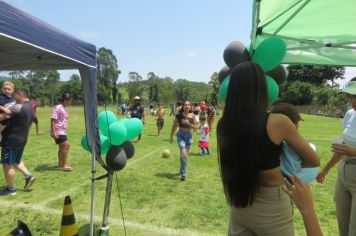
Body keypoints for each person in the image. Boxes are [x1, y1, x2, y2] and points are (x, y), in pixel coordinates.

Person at [217, 62, 320, 235]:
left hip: (239, 200)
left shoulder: (223, 124)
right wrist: (290, 166)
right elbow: (314, 160)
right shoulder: (277, 122)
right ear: (261, 89)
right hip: (272, 204)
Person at [317, 78, 356, 236]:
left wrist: (353, 152)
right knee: (343, 227)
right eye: (350, 95)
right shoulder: (350, 114)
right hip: (344, 173)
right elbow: (343, 148)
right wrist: (326, 170)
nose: (353, 100)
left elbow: (349, 149)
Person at [270, 102, 320, 183]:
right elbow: (314, 161)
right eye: (297, 122)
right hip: (291, 184)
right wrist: (300, 165)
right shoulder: (292, 144)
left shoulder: (267, 139)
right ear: (292, 123)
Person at [0, 89, 36, 196]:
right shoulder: (30, 107)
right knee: (16, 160)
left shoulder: (18, 106)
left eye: (16, 96)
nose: (14, 99)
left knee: (7, 164)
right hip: (22, 139)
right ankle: (28, 176)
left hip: (11, 140)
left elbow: (5, 114)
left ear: (20, 95)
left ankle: (11, 190)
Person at [170, 100, 199, 181]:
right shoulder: (179, 115)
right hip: (180, 136)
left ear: (190, 107)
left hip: (189, 137)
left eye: (188, 105)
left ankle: (182, 169)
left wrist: (188, 123)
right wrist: (171, 136)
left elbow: (196, 127)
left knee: (184, 156)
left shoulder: (192, 116)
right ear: (183, 106)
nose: (187, 106)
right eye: (185, 105)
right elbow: (174, 126)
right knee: (183, 152)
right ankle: (183, 174)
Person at [50, 93, 73, 171]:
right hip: (57, 130)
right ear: (66, 100)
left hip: (62, 131)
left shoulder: (65, 108)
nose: (71, 102)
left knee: (62, 147)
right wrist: (53, 132)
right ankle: (64, 165)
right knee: (66, 145)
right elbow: (53, 119)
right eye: (70, 101)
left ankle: (60, 164)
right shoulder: (58, 107)